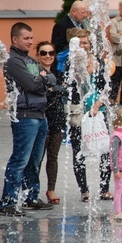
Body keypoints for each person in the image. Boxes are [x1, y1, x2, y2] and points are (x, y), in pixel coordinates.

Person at [0, 22, 56, 216]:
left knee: (35, 160)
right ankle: (8, 202)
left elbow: (52, 78)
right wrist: (42, 80)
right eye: (27, 38)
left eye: (32, 38)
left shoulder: (30, 61)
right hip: (25, 116)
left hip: (40, 115)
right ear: (15, 39)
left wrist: (42, 79)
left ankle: (30, 197)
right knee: (20, 159)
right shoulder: (13, 61)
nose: (31, 42)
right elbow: (32, 85)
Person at [64, 28, 113, 202]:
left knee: (105, 148)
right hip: (79, 112)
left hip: (98, 111)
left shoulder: (98, 60)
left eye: (86, 42)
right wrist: (89, 70)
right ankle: (84, 190)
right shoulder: (71, 62)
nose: (84, 46)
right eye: (80, 42)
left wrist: (99, 104)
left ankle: (104, 188)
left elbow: (107, 86)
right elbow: (69, 86)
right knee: (79, 150)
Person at [36, 41, 66, 205]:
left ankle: (51, 188)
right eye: (43, 53)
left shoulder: (58, 72)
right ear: (38, 55)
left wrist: (54, 89)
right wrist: (56, 89)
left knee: (53, 156)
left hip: (57, 119)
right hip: (40, 118)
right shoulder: (34, 72)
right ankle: (33, 189)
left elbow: (67, 89)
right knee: (37, 156)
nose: (48, 56)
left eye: (51, 53)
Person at [109, 0, 122, 105]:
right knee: (115, 77)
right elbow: (113, 36)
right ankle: (112, 97)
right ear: (119, 9)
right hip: (117, 54)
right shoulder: (114, 21)